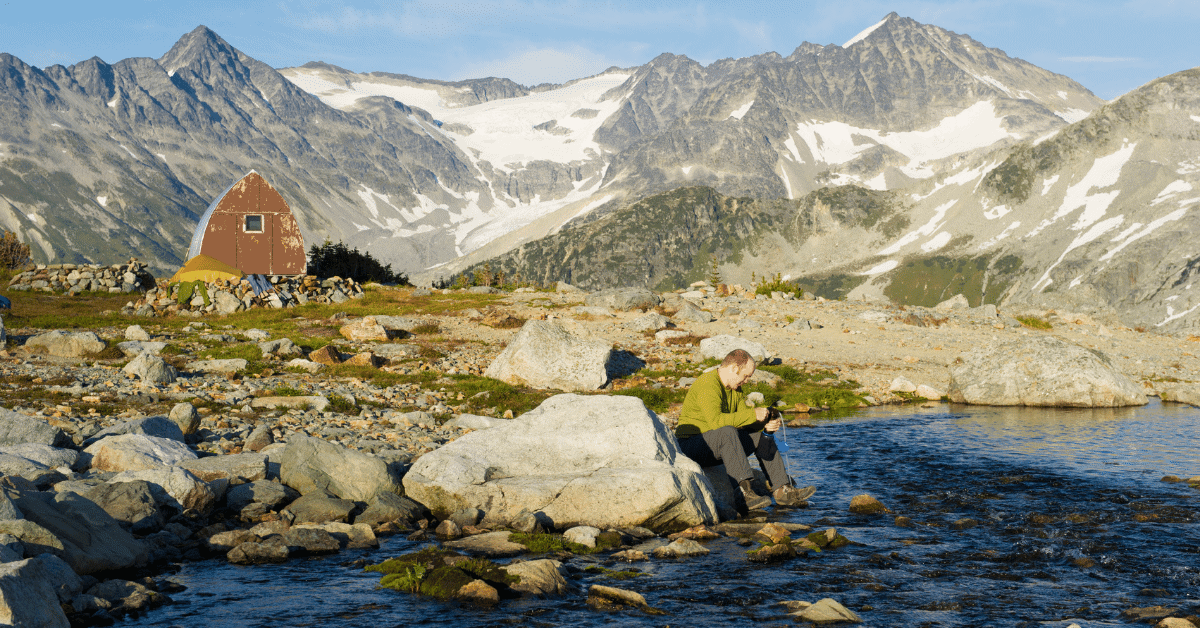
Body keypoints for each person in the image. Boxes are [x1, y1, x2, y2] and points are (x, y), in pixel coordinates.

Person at [675, 349, 816, 510]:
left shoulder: (735, 389)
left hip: (716, 442)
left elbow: (743, 421)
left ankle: (783, 490)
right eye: (746, 375)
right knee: (727, 431)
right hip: (690, 445)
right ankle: (743, 493)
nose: (747, 380)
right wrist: (752, 414)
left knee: (758, 435)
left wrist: (764, 425)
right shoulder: (708, 384)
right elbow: (716, 422)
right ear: (735, 368)